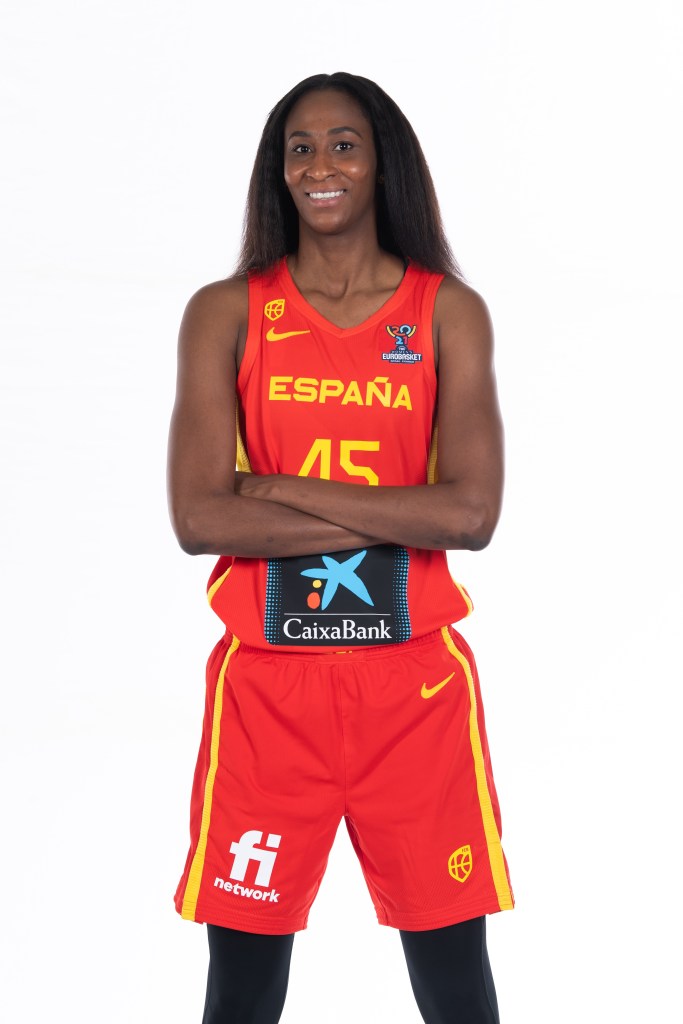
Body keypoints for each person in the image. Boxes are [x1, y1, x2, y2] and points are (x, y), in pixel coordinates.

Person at [167, 71, 514, 1024]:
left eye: (343, 144)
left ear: (382, 163)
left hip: (415, 693)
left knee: (454, 979)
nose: (320, 165)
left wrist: (276, 487)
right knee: (241, 984)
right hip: (269, 695)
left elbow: (471, 518)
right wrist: (404, 511)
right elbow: (199, 520)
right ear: (278, 172)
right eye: (300, 147)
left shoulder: (445, 312)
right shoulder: (228, 311)